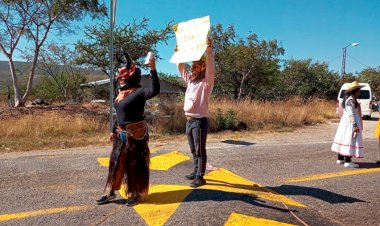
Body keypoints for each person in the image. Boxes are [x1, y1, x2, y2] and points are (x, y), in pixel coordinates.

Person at [96, 49, 160, 206]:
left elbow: (155, 90)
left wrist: (153, 69)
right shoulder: (120, 94)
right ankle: (110, 192)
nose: (121, 79)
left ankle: (135, 193)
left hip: (136, 135)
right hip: (120, 134)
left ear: (133, 76)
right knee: (116, 163)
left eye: (125, 76)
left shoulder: (140, 92)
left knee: (134, 165)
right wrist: (112, 130)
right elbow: (118, 114)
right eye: (120, 77)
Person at [175, 36, 215, 187]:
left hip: (199, 122)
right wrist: (179, 54)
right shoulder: (191, 81)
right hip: (189, 121)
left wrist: (209, 50)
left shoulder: (206, 83)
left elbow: (211, 69)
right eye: (192, 66)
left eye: (196, 66)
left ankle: (201, 176)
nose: (192, 69)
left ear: (203, 68)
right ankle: (195, 170)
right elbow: (181, 69)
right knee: (193, 149)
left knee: (200, 150)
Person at [331, 81, 365, 168]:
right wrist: (355, 126)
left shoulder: (348, 99)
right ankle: (348, 161)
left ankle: (340, 158)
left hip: (345, 122)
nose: (360, 92)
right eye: (359, 90)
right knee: (349, 139)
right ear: (355, 91)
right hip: (350, 123)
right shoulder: (350, 100)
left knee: (344, 138)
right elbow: (351, 114)